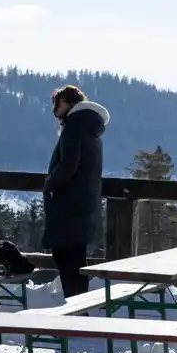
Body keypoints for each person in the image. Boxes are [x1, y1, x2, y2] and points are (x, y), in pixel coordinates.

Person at [42, 85, 108, 298]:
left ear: (69, 103)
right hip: (85, 201)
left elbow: (69, 164)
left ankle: (74, 304)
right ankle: (79, 303)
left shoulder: (73, 127)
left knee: (64, 255)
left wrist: (51, 184)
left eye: (58, 103)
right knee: (77, 256)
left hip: (68, 203)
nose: (54, 109)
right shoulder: (91, 128)